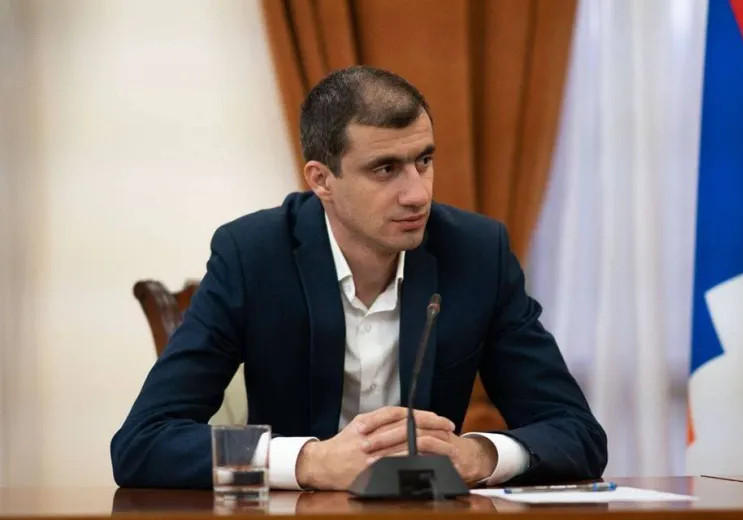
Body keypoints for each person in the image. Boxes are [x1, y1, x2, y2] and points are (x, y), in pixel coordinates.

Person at [111, 65, 607, 491]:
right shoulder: (253, 257)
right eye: (385, 169)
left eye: (424, 160)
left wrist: (478, 455)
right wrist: (310, 461)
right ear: (321, 180)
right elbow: (143, 442)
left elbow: (577, 433)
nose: (417, 194)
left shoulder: (477, 254)